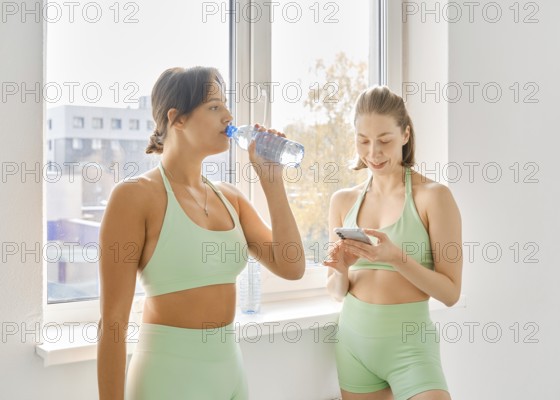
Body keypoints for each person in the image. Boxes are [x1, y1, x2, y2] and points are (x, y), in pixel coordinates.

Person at [97, 66, 305, 400]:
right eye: (214, 106)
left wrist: (272, 180)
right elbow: (113, 322)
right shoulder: (134, 197)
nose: (228, 115)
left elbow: (292, 267)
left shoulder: (231, 198)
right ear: (177, 118)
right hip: (167, 378)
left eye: (226, 105)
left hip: (230, 373)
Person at [324, 86, 462, 400]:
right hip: (353, 346)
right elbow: (335, 292)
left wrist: (396, 257)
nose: (373, 153)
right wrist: (342, 270)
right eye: (363, 141)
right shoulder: (342, 201)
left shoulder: (434, 197)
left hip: (410, 347)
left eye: (384, 140)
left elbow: (450, 293)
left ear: (405, 135)